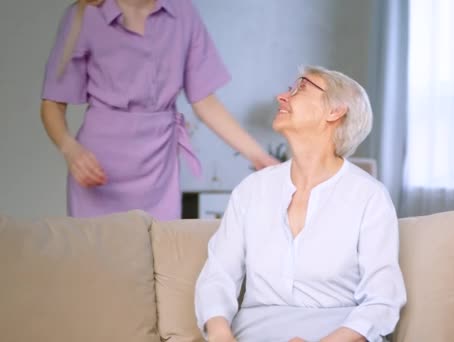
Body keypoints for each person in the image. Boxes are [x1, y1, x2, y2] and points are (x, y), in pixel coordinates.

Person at [194, 66, 406, 342]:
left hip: (340, 335)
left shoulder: (369, 196)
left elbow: (382, 300)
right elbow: (218, 277)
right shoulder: (251, 191)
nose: (282, 96)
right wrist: (221, 335)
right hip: (256, 333)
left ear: (336, 111)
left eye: (300, 88)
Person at [40, 0, 277, 220]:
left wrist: (258, 155)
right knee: (98, 260)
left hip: (158, 168)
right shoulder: (84, 16)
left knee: (160, 257)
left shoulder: (183, 13)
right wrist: (71, 150)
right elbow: (52, 104)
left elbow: (204, 101)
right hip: (98, 170)